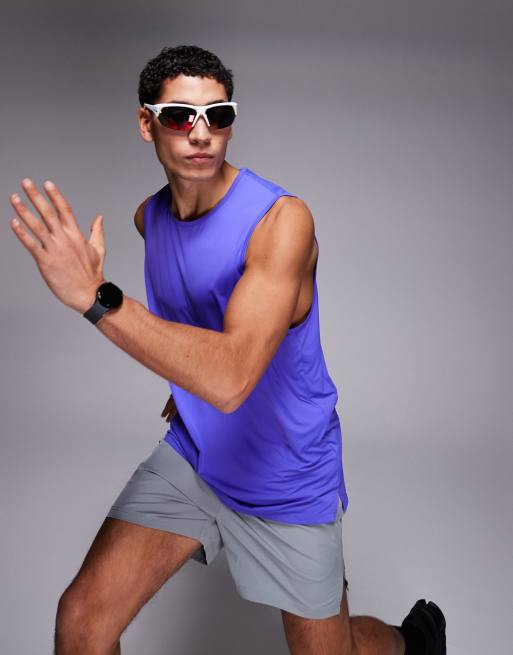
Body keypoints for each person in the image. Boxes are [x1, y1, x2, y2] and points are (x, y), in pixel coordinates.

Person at [9, 44, 446, 655]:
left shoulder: (282, 222)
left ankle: (411, 642)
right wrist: (183, 386)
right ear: (146, 124)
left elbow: (232, 377)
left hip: (286, 474)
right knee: (81, 621)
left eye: (217, 115)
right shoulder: (150, 219)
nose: (200, 133)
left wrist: (97, 298)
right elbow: (195, 316)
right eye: (179, 116)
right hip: (198, 455)